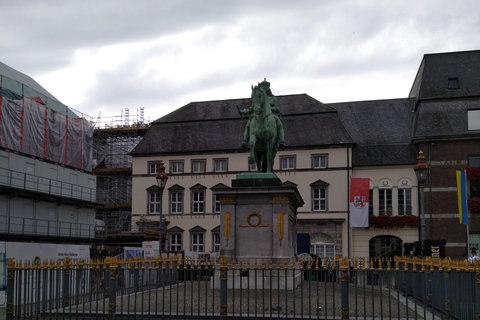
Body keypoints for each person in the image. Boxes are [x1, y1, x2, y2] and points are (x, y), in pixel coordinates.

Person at [238, 79, 284, 149]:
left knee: (279, 124)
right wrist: (242, 111)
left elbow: (277, 109)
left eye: (265, 88)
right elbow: (250, 109)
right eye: (262, 89)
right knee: (248, 125)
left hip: (270, 115)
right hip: (257, 115)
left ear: (268, 89)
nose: (263, 90)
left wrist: (268, 108)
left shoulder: (273, 98)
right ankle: (245, 141)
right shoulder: (257, 98)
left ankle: (281, 140)